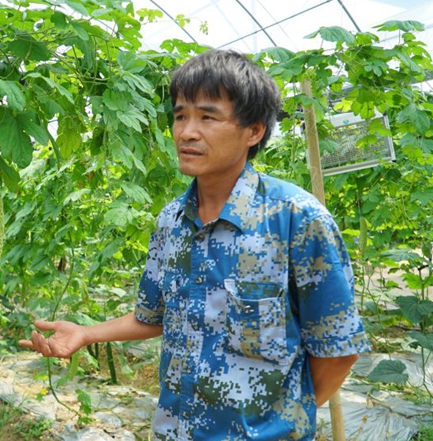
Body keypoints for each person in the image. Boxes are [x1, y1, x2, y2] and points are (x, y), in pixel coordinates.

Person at [19, 49, 370, 440]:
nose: (186, 132)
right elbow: (153, 317)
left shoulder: (296, 219)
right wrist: (86, 333)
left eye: (207, 117)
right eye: (180, 116)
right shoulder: (171, 221)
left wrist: (278, 421)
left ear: (254, 131)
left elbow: (339, 350)